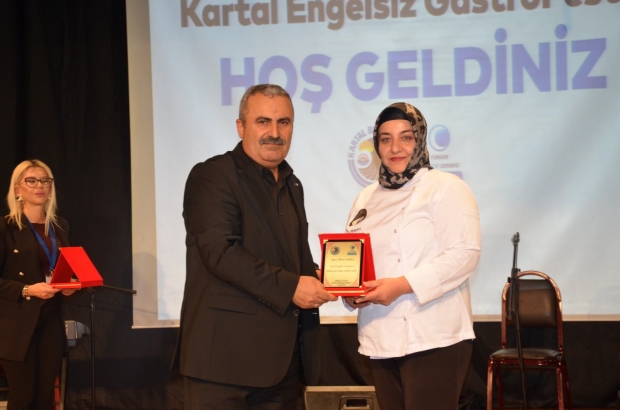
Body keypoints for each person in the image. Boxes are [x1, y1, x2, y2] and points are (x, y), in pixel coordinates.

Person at [173, 84, 337, 409]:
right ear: (241, 126)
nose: (274, 133)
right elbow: (221, 253)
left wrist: (330, 279)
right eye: (263, 121)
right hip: (224, 365)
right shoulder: (212, 176)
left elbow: (290, 257)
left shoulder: (292, 184)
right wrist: (292, 287)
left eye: (283, 122)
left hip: (282, 366)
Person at [343, 103, 481, 410]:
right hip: (381, 335)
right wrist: (351, 293)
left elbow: (464, 254)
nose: (395, 148)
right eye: (385, 139)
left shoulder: (446, 187)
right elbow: (354, 259)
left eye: (406, 137)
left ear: (420, 140)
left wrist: (402, 285)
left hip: (435, 336)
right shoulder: (365, 198)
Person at [0, 160, 76, 410]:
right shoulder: (5, 227)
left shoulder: (60, 226)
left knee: (45, 399)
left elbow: (63, 267)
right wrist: (26, 289)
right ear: (17, 189)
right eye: (31, 181)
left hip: (51, 320)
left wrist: (70, 285)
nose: (39, 186)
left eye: (45, 180)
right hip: (17, 325)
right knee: (23, 398)